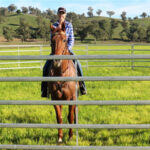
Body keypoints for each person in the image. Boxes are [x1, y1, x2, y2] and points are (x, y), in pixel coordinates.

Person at [41, 7, 87, 97]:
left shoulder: (69, 25)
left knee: (78, 64)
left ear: (65, 15)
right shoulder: (54, 25)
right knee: (46, 67)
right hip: (56, 51)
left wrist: (67, 49)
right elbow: (53, 40)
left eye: (63, 13)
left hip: (67, 50)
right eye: (60, 13)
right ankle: (44, 89)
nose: (61, 15)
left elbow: (71, 39)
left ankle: (82, 86)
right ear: (58, 14)